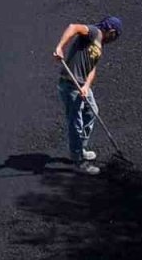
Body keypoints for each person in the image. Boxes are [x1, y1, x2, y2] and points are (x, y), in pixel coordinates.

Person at [52, 16, 122, 176]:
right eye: (116, 35)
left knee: (92, 111)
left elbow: (92, 69)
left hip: (82, 86)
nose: (115, 39)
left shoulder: (100, 45)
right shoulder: (94, 32)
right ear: (111, 31)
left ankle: (80, 147)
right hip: (70, 84)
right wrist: (60, 47)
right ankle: (78, 160)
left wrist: (86, 86)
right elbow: (73, 27)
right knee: (75, 122)